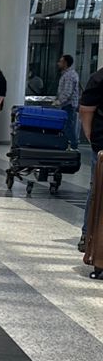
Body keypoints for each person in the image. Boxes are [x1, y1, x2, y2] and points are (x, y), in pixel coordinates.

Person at [79, 62, 103, 251]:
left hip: (101, 142)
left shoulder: (99, 77)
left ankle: (88, 235)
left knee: (97, 189)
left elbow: (86, 110)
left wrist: (91, 135)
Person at [56, 54, 81, 150]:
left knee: (68, 126)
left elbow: (67, 92)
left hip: (69, 105)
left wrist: (59, 101)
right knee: (67, 125)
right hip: (67, 105)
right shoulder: (67, 74)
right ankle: (67, 145)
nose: (58, 63)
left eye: (60, 61)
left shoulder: (69, 75)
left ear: (65, 63)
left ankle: (73, 146)